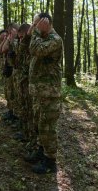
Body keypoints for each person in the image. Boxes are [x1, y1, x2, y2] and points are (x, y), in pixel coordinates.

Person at [25, 12, 63, 174]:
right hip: (39, 92)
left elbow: (37, 51)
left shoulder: (55, 39)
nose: (33, 27)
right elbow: (29, 50)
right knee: (39, 125)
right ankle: (41, 153)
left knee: (48, 127)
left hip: (49, 93)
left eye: (36, 23)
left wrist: (35, 32)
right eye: (34, 24)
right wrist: (33, 34)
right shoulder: (41, 37)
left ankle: (50, 162)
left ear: (45, 22)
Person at [0, 23, 19, 122]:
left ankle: (15, 115)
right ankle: (11, 112)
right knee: (8, 93)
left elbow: (4, 49)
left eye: (10, 31)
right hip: (9, 71)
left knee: (14, 95)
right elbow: (0, 50)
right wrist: (6, 39)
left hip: (16, 72)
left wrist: (10, 38)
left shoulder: (18, 41)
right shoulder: (10, 40)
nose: (8, 33)